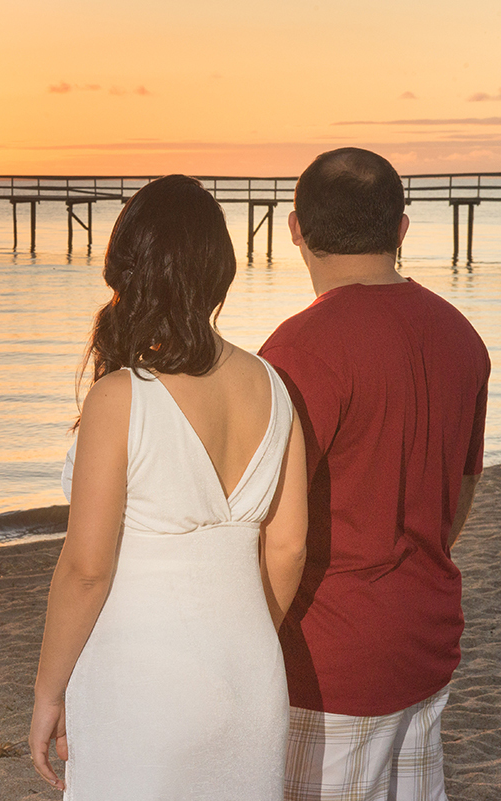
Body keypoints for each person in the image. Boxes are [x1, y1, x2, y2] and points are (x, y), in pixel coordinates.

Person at [29, 174, 309, 799]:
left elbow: (86, 569)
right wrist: (240, 636)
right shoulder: (272, 385)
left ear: (128, 265)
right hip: (250, 672)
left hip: (142, 677)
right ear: (221, 270)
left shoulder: (121, 397)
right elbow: (289, 548)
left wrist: (49, 691)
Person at [259, 147, 490, 801]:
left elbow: (280, 528)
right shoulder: (462, 338)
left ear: (296, 228)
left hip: (328, 660)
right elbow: (461, 494)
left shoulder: (300, 350)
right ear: (402, 229)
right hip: (425, 639)